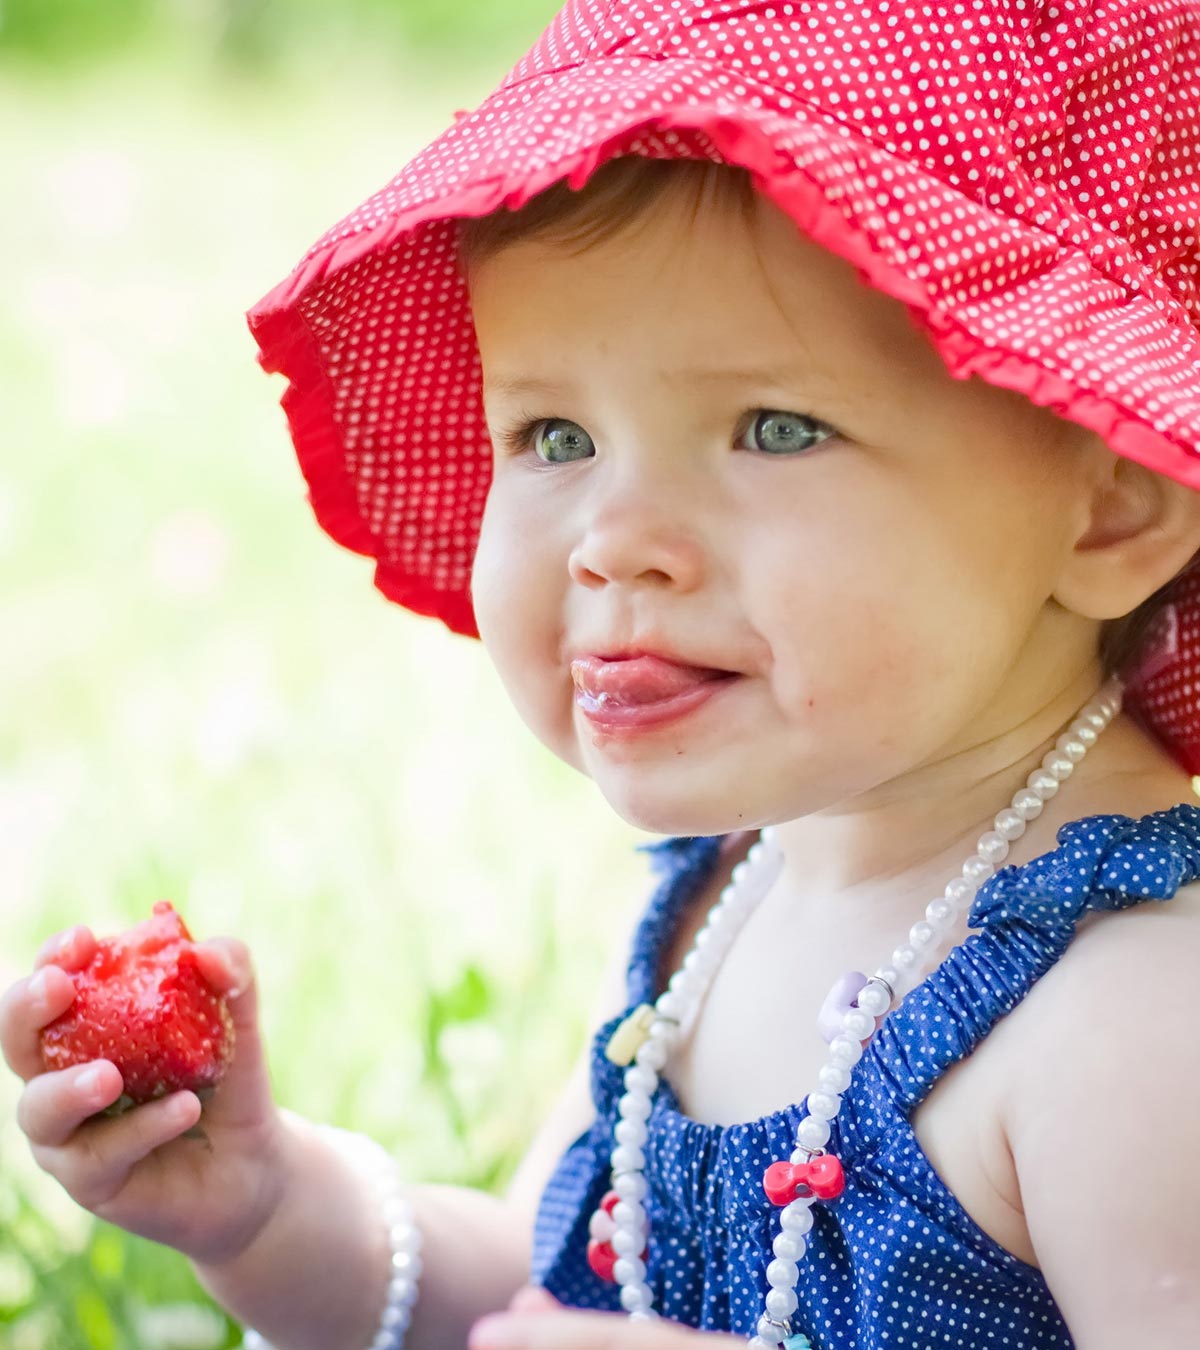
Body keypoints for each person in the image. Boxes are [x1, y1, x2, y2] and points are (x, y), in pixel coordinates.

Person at [4, 0, 1200, 1346]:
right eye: (556, 432)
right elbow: (538, 1282)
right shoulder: (736, 893)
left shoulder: (1133, 1016)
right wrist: (271, 1206)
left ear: (1113, 507)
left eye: (776, 425)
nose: (615, 539)